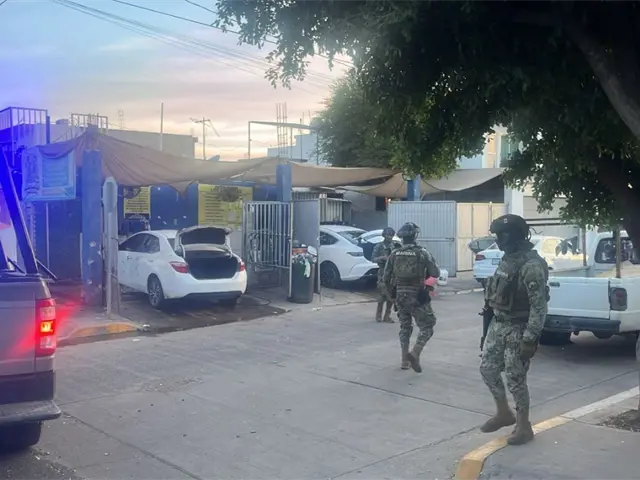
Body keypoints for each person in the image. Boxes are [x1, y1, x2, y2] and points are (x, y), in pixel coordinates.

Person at [479, 214, 549, 446]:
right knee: (488, 369)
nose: (498, 240)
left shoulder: (531, 266)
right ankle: (503, 412)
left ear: (516, 235)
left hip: (518, 327)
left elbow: (539, 306)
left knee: (515, 378)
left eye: (502, 235)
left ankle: (523, 426)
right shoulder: (508, 259)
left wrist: (529, 338)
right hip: (498, 324)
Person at [383, 222, 440, 372]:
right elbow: (435, 273)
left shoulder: (394, 254)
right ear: (415, 236)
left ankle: (404, 360)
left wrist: (391, 295)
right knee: (428, 326)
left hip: (400, 295)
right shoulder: (422, 253)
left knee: (405, 327)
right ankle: (415, 353)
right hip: (417, 295)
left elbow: (386, 277)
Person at [372, 227, 398, 323]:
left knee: (391, 296)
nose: (389, 237)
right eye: (388, 235)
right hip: (382, 272)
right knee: (382, 294)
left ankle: (387, 316)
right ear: (384, 235)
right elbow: (373, 258)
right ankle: (378, 315)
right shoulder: (379, 246)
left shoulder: (395, 246)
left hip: (393, 273)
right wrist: (382, 258)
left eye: (391, 235)